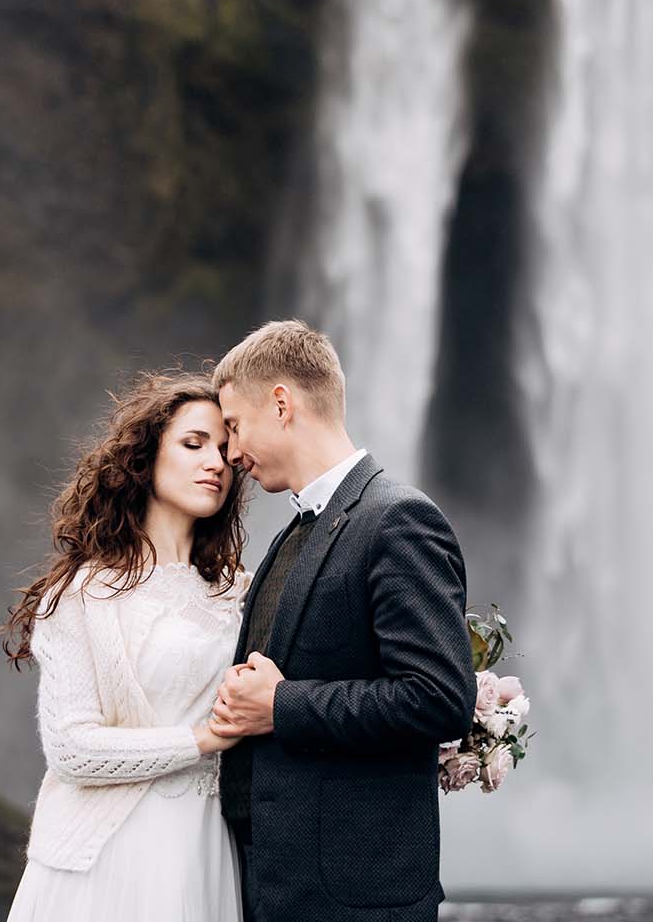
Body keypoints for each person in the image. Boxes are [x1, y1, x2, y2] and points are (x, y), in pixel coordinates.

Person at [208, 320, 474, 922]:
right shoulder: (286, 539)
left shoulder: (397, 520)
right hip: (277, 888)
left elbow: (438, 698)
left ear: (281, 404)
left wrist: (283, 706)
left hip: (355, 898)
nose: (230, 453)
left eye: (233, 426)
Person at [0, 372, 252, 921]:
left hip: (208, 845)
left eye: (225, 450)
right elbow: (72, 750)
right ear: (144, 458)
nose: (216, 462)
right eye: (193, 444)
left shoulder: (244, 591)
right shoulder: (84, 593)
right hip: (108, 857)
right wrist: (202, 739)